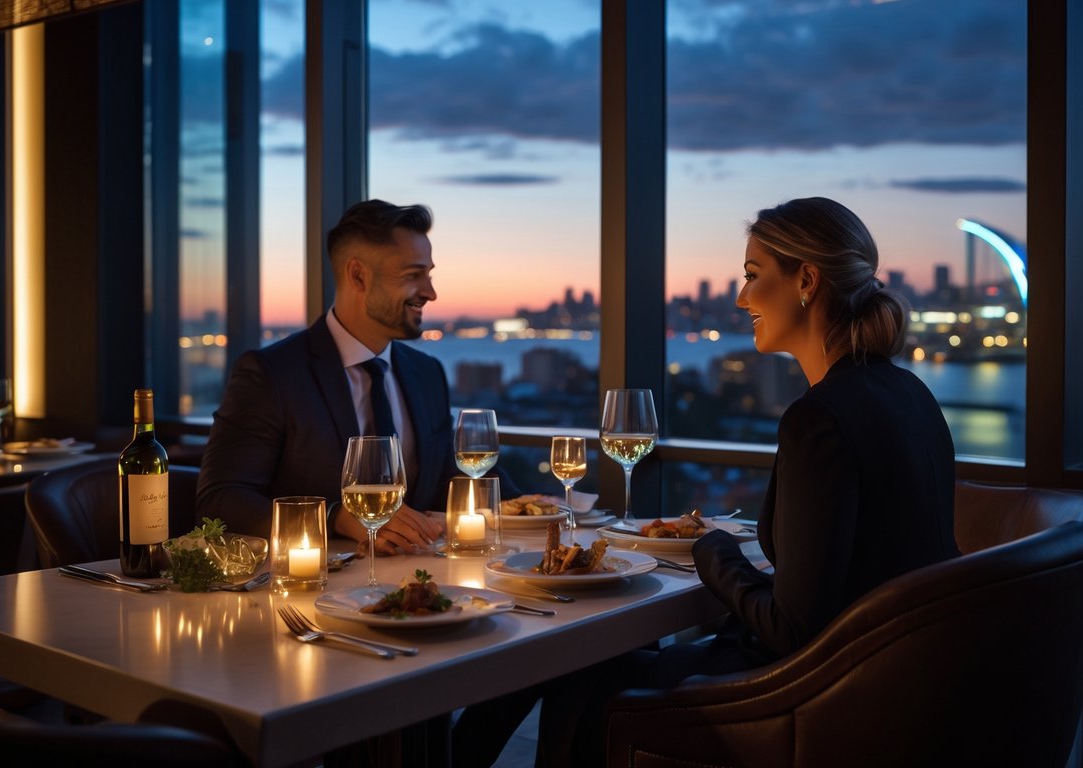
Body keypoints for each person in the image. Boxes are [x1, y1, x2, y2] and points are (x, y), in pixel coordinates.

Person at [453, 196, 958, 767]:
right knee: (601, 658)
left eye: (752, 276)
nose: (741, 297)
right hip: (894, 682)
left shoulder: (820, 419)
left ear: (807, 281)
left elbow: (792, 628)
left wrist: (712, 551)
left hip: (808, 698)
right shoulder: (911, 394)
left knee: (582, 672)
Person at [198, 198, 477, 553]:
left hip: (421, 590)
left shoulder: (427, 374)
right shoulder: (272, 374)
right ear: (358, 275)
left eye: (429, 274)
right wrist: (337, 519)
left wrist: (545, 505)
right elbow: (219, 500)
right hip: (309, 595)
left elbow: (447, 480)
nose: (430, 292)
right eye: (412, 275)